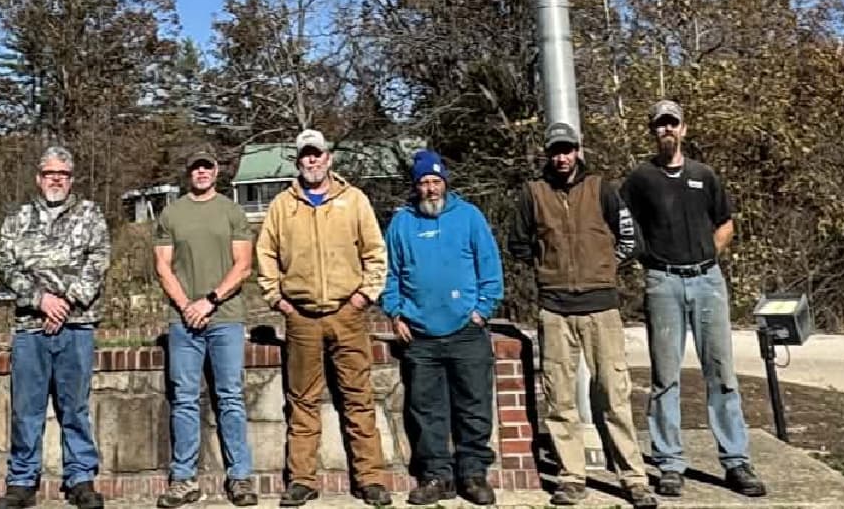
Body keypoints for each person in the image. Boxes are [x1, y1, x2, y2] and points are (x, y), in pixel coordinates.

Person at [620, 102, 766, 500]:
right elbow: (623, 227)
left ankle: (736, 460)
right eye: (660, 125)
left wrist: (707, 256)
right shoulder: (640, 180)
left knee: (721, 373)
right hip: (663, 283)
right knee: (665, 377)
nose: (667, 130)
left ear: (684, 129)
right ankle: (669, 463)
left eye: (673, 123)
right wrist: (647, 262)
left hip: (707, 281)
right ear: (653, 131)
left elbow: (726, 223)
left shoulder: (704, 175)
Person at [507, 123, 655, 509]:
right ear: (548, 154)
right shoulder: (533, 193)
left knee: (613, 393)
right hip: (555, 310)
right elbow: (518, 244)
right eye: (556, 150)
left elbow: (630, 238)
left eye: (568, 149)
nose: (562, 157)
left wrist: (605, 270)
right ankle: (572, 477)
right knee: (559, 399)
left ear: (578, 150)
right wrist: (546, 271)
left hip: (602, 307)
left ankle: (633, 478)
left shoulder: (602, 189)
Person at [255, 129, 393, 509]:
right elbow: (265, 254)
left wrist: (365, 295)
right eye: (305, 156)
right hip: (301, 317)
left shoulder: (354, 200)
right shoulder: (283, 205)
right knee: (302, 400)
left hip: (348, 315)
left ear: (329, 158)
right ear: (298, 162)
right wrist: (277, 299)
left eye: (317, 155)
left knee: (358, 398)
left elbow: (375, 253)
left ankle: (370, 478)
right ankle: (301, 480)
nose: (312, 161)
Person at [381, 150, 503, 507]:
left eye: (436, 182)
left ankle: (473, 472)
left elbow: (490, 268)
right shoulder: (402, 224)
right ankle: (436, 476)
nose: (431, 189)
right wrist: (395, 312)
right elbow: (387, 274)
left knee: (474, 405)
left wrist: (482, 310)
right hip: (419, 335)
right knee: (426, 409)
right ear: (416, 186)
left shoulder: (469, 217)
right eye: (424, 183)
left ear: (445, 183)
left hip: (467, 330)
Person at [0, 146, 113, 509]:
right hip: (30, 329)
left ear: (72, 178)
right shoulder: (18, 218)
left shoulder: (90, 214)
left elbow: (99, 259)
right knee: (26, 407)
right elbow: (5, 263)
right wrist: (39, 299)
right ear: (39, 178)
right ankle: (22, 481)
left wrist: (66, 302)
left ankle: (80, 478)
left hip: (77, 326)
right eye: (49, 173)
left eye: (62, 173)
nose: (56, 179)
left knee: (74, 406)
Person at [153, 145, 259, 508]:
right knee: (184, 399)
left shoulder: (232, 211)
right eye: (196, 167)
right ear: (189, 172)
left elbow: (243, 264)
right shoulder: (171, 213)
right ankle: (183, 480)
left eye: (207, 167)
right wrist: (186, 306)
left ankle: (240, 478)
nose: (201, 172)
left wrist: (209, 301)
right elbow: (163, 266)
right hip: (183, 323)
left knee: (230, 396)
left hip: (225, 319)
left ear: (216, 171)